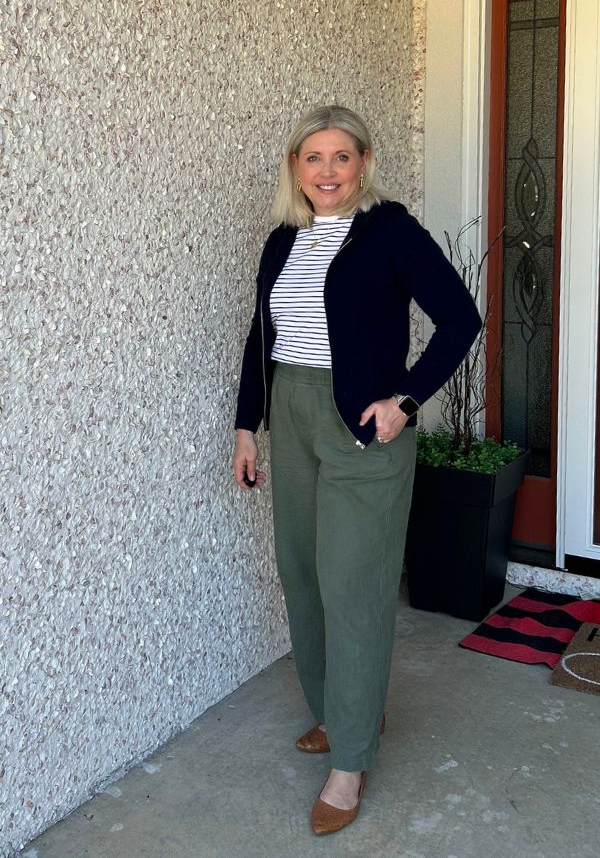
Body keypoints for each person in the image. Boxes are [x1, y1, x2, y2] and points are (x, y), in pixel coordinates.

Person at [232, 105, 481, 836]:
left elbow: (461, 318)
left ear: (364, 163)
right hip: (293, 413)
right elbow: (261, 335)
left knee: (355, 584)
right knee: (302, 571)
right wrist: (247, 425)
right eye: (315, 158)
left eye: (342, 157)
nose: (328, 171)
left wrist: (406, 400)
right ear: (295, 167)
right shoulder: (283, 239)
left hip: (362, 428)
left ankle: (351, 760)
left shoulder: (392, 233)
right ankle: (338, 712)